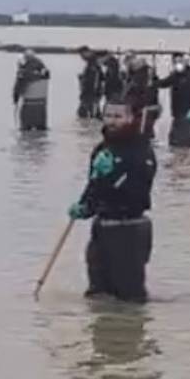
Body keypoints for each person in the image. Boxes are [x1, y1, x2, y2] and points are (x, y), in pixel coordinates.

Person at [67, 96, 158, 303]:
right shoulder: (101, 150)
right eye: (108, 115)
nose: (112, 120)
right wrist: (85, 206)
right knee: (98, 293)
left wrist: (113, 174)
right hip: (102, 227)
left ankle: (130, 332)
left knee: (130, 298)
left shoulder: (141, 149)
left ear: (129, 118)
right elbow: (94, 185)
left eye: (118, 116)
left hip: (130, 229)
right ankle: (103, 332)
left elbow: (138, 190)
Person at [156, 53, 190, 148]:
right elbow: (164, 83)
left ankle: (184, 151)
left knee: (183, 132)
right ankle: (180, 151)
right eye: (176, 62)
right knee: (177, 134)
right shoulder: (176, 75)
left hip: (187, 108)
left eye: (180, 62)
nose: (178, 64)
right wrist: (154, 81)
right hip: (177, 109)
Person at [12, 49, 51, 131]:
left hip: (28, 105)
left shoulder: (23, 73)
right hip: (41, 105)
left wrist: (15, 99)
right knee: (41, 128)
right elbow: (46, 75)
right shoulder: (44, 74)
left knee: (25, 130)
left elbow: (18, 88)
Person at [76, 47, 104, 119]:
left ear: (87, 52)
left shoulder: (93, 63)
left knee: (86, 112)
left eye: (82, 54)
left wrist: (94, 91)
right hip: (91, 92)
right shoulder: (91, 63)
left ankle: (89, 127)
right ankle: (93, 126)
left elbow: (95, 79)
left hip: (91, 93)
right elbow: (100, 77)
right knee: (92, 112)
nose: (81, 57)